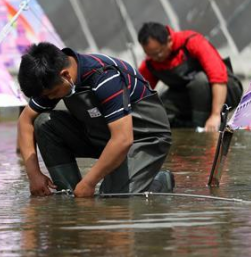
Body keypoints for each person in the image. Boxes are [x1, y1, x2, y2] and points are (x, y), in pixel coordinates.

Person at [17, 42, 174, 198]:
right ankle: (69, 193)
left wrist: (89, 183)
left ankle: (158, 181)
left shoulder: (105, 76)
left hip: (143, 138)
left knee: (113, 199)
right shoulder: (54, 78)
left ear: (65, 75)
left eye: (53, 93)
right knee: (44, 122)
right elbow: (25, 120)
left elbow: (123, 139)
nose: (50, 99)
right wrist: (34, 174)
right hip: (103, 133)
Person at [138, 22, 242, 131]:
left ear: (169, 41)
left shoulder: (192, 42)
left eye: (158, 53)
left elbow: (218, 78)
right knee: (159, 109)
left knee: (199, 81)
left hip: (226, 91)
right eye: (149, 54)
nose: (155, 58)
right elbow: (139, 93)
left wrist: (215, 115)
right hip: (191, 96)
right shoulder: (150, 63)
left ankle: (201, 126)